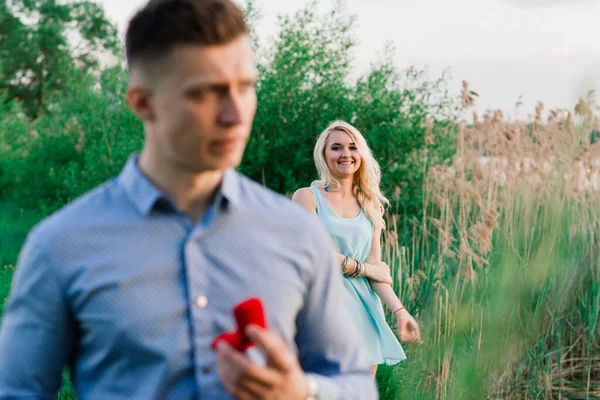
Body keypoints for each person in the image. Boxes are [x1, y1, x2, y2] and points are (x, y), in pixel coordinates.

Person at [0, 1, 377, 399]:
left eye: (245, 86)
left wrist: (304, 390)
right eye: (206, 92)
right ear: (142, 102)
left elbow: (356, 385)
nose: (235, 114)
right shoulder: (60, 246)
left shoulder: (298, 233)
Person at [292, 120, 422, 377]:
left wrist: (400, 311)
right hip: (321, 308)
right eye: (336, 148)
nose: (345, 154)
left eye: (352, 147)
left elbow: (378, 273)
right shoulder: (306, 197)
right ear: (324, 154)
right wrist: (361, 268)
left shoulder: (371, 204)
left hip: (364, 313)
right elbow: (315, 252)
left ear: (361, 154)